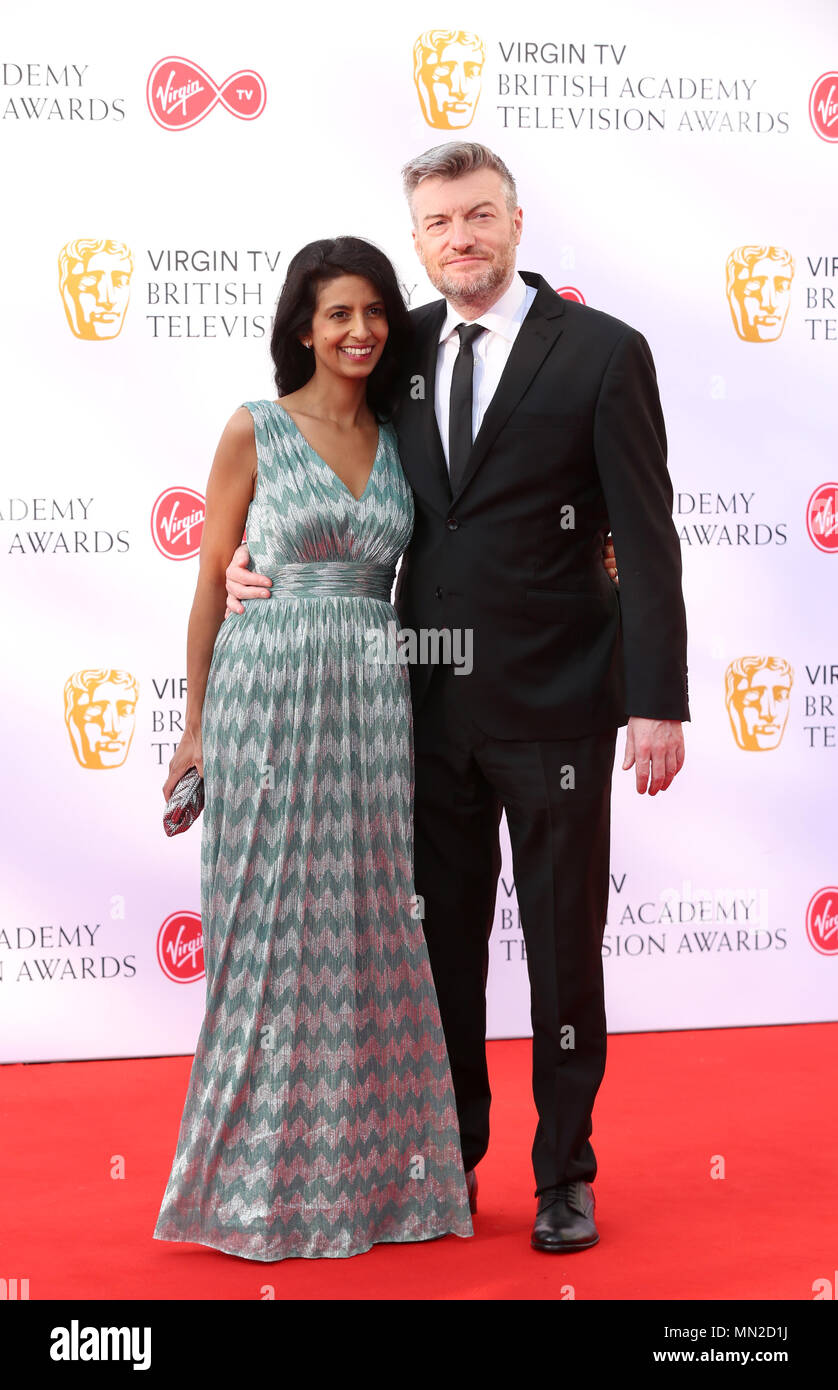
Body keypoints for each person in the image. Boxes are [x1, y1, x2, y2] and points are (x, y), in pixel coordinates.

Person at [225, 142, 689, 1255]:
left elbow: (646, 535)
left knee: (563, 951)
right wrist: (258, 560)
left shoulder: (604, 353)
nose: (460, 239)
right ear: (419, 239)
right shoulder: (397, 350)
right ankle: (448, 1163)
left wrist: (656, 698)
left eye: (478, 216)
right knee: (438, 951)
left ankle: (563, 1173)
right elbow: (316, 458)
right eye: (437, 224)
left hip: (561, 707)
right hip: (420, 713)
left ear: (517, 224)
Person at [153, 236, 474, 1261]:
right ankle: (248, 1189)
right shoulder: (255, 428)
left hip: (375, 705)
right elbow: (211, 579)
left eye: (375, 311)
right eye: (337, 313)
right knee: (267, 934)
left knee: (372, 934)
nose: (360, 331)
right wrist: (195, 723)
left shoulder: (402, 433)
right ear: (302, 324)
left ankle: (379, 1185)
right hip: (266, 697)